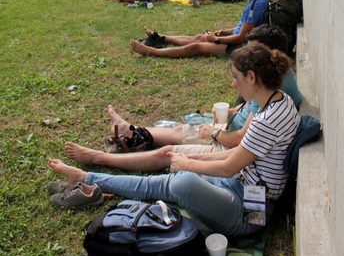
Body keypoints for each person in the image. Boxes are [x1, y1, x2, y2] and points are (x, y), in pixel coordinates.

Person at [48, 43, 301, 238]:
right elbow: (236, 157)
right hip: (242, 183)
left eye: (236, 77)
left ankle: (90, 181)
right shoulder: (278, 100)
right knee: (170, 178)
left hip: (252, 211)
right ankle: (86, 178)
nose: (234, 84)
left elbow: (229, 166)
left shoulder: (267, 119)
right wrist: (190, 159)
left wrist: (189, 165)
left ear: (252, 77)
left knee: (181, 183)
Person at [62, 24, 303, 174]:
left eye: (253, 51)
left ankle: (102, 155)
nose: (232, 84)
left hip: (231, 148)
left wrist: (201, 149)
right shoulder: (273, 90)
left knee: (167, 152)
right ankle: (129, 129)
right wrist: (226, 117)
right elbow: (247, 122)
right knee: (179, 132)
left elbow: (235, 157)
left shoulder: (272, 96)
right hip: (230, 143)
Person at [130, 0, 268, 57]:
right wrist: (224, 31)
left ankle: (150, 51)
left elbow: (242, 37)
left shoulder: (256, 5)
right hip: (234, 39)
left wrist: (217, 39)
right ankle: (161, 37)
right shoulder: (255, 0)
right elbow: (244, 26)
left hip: (238, 45)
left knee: (195, 47)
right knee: (198, 37)